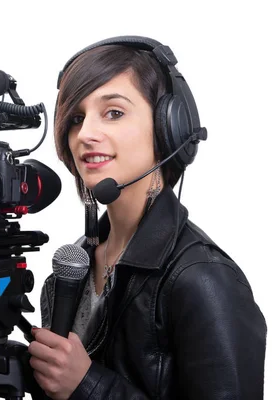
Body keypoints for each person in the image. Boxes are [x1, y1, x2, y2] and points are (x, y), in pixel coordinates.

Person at [28, 36, 267, 399]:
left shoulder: (203, 279)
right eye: (76, 118)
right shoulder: (74, 266)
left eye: (114, 112)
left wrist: (89, 386)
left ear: (167, 126)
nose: (86, 135)